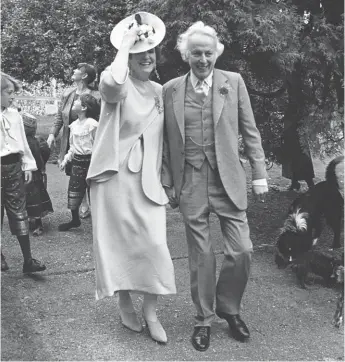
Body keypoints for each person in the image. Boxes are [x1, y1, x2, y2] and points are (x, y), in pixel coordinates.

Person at [161, 22, 268, 351]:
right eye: (196, 53)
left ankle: (229, 307)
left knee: (242, 250)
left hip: (228, 180)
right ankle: (203, 318)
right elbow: (165, 142)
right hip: (191, 180)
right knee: (201, 255)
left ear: (216, 53)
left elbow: (249, 130)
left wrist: (260, 173)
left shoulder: (233, 82)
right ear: (186, 55)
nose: (203, 59)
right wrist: (167, 182)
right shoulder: (171, 89)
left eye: (208, 52)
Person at [86, 12, 176, 344]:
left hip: (147, 182)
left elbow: (164, 139)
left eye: (151, 51)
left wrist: (167, 176)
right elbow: (113, 85)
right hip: (114, 179)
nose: (148, 57)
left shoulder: (158, 90)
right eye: (140, 53)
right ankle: (124, 302)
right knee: (118, 245)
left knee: (155, 245)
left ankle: (151, 311)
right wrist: (125, 44)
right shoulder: (115, 83)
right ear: (129, 57)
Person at [1, 72, 46, 273]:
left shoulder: (15, 115)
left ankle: (28, 260)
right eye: (8, 92)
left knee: (19, 212)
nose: (12, 97)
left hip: (13, 169)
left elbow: (23, 143)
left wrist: (28, 164)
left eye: (13, 93)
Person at [47, 63, 100, 218]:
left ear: (84, 76)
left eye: (77, 70)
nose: (73, 71)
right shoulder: (68, 94)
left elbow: (102, 119)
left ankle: (97, 205)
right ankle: (83, 203)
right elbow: (59, 117)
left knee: (92, 174)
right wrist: (52, 134)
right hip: (71, 138)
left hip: (90, 139)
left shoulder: (96, 95)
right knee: (74, 172)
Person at [58, 94, 100, 231]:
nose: (74, 102)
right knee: (74, 191)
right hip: (77, 162)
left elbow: (98, 145)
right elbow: (72, 146)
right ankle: (75, 220)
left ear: (83, 107)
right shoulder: (74, 125)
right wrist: (65, 160)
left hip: (91, 162)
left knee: (95, 193)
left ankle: (100, 223)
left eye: (77, 101)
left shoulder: (93, 125)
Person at [23, 113, 54, 236]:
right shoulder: (37, 140)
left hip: (30, 175)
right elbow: (46, 152)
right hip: (35, 174)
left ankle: (37, 224)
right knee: (34, 198)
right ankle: (34, 221)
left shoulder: (29, 142)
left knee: (31, 198)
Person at [281, 119, 315, 191]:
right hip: (291, 133)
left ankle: (310, 184)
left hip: (298, 133)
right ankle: (295, 182)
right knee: (294, 159)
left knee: (302, 159)